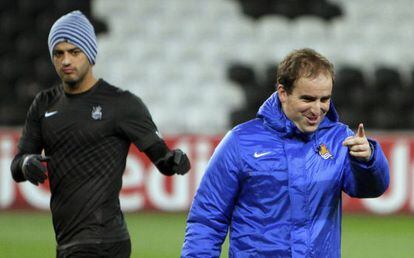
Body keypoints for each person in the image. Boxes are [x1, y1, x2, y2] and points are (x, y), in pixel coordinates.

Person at [10, 10, 190, 258]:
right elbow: (16, 165)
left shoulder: (122, 104)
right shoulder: (43, 104)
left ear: (90, 55)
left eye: (75, 52)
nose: (65, 61)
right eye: (59, 53)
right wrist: (26, 163)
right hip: (67, 243)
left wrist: (176, 159)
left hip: (106, 241)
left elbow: (164, 160)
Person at [181, 48, 389, 257]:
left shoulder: (339, 139)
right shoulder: (240, 142)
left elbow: (370, 188)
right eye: (307, 99)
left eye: (324, 99)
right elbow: (208, 218)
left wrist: (368, 160)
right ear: (283, 93)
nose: (317, 109)